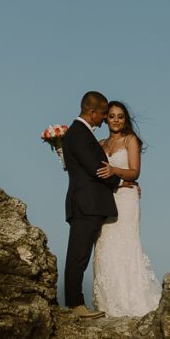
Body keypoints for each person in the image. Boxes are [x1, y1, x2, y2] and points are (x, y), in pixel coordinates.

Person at [92, 101, 162, 317]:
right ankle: (108, 303)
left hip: (126, 200)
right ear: (105, 118)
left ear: (125, 119)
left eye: (120, 116)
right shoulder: (100, 144)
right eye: (111, 116)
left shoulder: (131, 140)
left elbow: (134, 172)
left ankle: (134, 302)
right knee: (104, 245)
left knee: (126, 245)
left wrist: (114, 170)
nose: (116, 120)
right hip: (107, 199)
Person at [62, 91, 120, 319]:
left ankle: (76, 303)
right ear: (92, 111)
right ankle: (75, 305)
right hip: (87, 203)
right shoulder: (79, 134)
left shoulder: (79, 134)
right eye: (104, 113)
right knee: (78, 255)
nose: (105, 118)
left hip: (87, 203)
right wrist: (121, 181)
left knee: (81, 254)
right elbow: (96, 168)